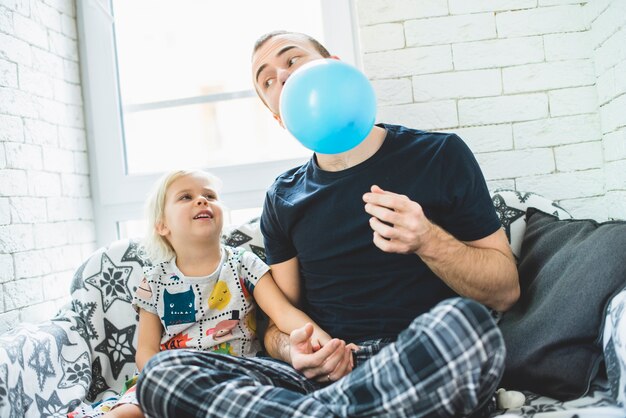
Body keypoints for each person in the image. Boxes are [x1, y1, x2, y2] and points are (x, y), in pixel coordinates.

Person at [136, 31, 520, 417]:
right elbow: (274, 328)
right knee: (163, 373)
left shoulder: (439, 155)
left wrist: (428, 241)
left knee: (467, 325)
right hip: (326, 377)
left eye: (292, 61)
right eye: (267, 80)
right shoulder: (283, 198)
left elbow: (504, 291)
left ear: (334, 67)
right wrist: (296, 351)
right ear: (278, 116)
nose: (282, 77)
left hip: (419, 359)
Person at [76, 169, 332, 418]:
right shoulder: (153, 280)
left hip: (237, 373)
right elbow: (146, 351)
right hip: (175, 378)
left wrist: (326, 345)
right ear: (162, 226)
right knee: (128, 412)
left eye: (210, 196)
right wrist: (160, 381)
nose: (201, 200)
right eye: (185, 197)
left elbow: (284, 313)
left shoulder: (244, 264)